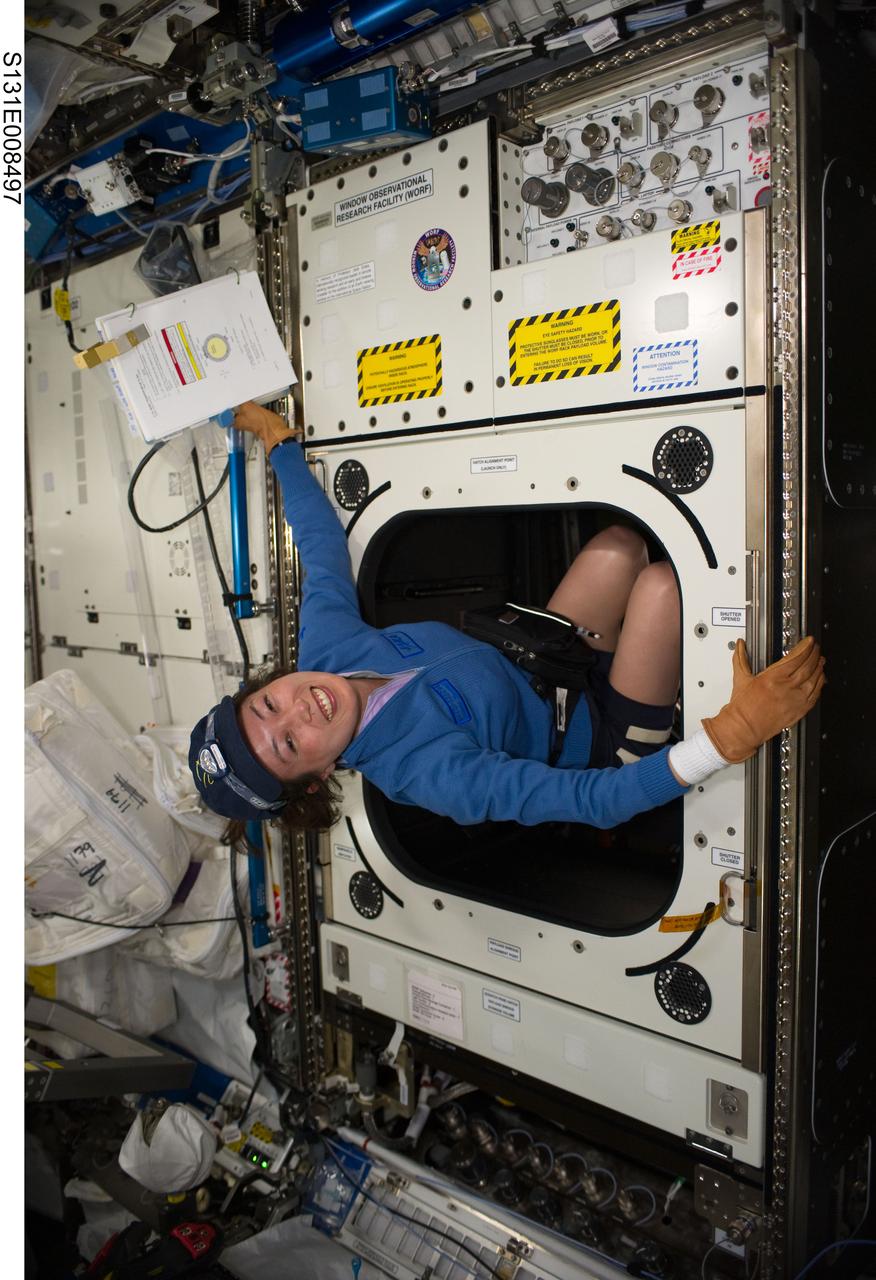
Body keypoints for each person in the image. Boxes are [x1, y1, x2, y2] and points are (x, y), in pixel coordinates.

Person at [189, 403, 825, 840]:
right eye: (291, 745)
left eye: (269, 706)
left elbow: (322, 547)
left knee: (620, 546)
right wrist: (729, 735)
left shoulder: (326, 649)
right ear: (318, 777)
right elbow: (594, 806)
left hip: (548, 662)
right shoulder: (428, 778)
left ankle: (666, 655)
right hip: (600, 740)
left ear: (268, 683)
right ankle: (690, 685)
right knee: (659, 587)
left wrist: (279, 446)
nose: (301, 711)